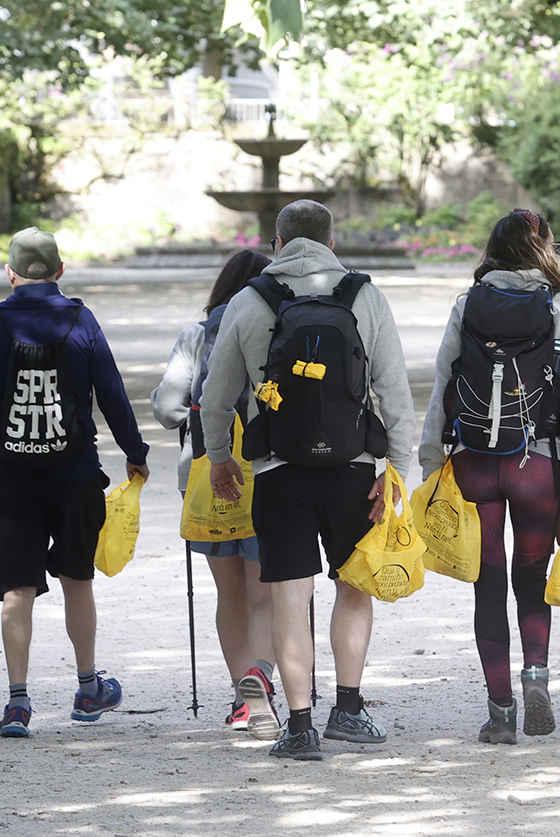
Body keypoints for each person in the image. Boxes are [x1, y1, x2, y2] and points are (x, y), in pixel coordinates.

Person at [200, 200, 419, 762]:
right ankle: (348, 707)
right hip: (354, 473)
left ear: (276, 244)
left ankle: (299, 727)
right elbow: (393, 393)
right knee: (353, 586)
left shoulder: (248, 303)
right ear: (331, 241)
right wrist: (399, 473)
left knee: (289, 599)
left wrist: (222, 458)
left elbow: (216, 399)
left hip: (277, 473)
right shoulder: (365, 297)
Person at [0, 227, 149, 739]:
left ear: (10, 273)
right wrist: (136, 454)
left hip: (13, 478)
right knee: (77, 580)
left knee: (17, 590)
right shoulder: (81, 318)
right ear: (61, 271)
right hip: (75, 474)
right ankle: (88, 688)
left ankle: (18, 704)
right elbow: (112, 392)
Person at [416, 210, 560, 744]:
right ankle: (536, 674)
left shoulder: (467, 305)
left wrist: (429, 458)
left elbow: (444, 378)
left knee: (486, 585)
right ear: (545, 250)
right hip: (535, 459)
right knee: (530, 579)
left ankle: (500, 713)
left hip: (473, 459)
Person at [150, 248, 279, 739]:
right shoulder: (272, 326)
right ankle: (261, 678)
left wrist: (202, 422)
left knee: (229, 594)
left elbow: (166, 408)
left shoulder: (196, 336)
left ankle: (240, 697)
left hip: (206, 477)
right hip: (266, 474)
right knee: (264, 595)